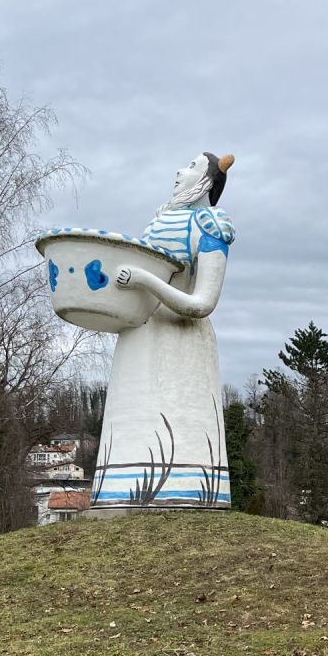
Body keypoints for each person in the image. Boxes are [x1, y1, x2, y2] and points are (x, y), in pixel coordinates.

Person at [90, 153, 236, 508]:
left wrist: (144, 280)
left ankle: (188, 492)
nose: (179, 171)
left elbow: (201, 303)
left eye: (190, 166)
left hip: (183, 345)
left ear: (206, 182)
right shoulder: (157, 221)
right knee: (129, 427)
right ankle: (115, 493)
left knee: (181, 434)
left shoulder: (210, 225)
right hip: (137, 338)